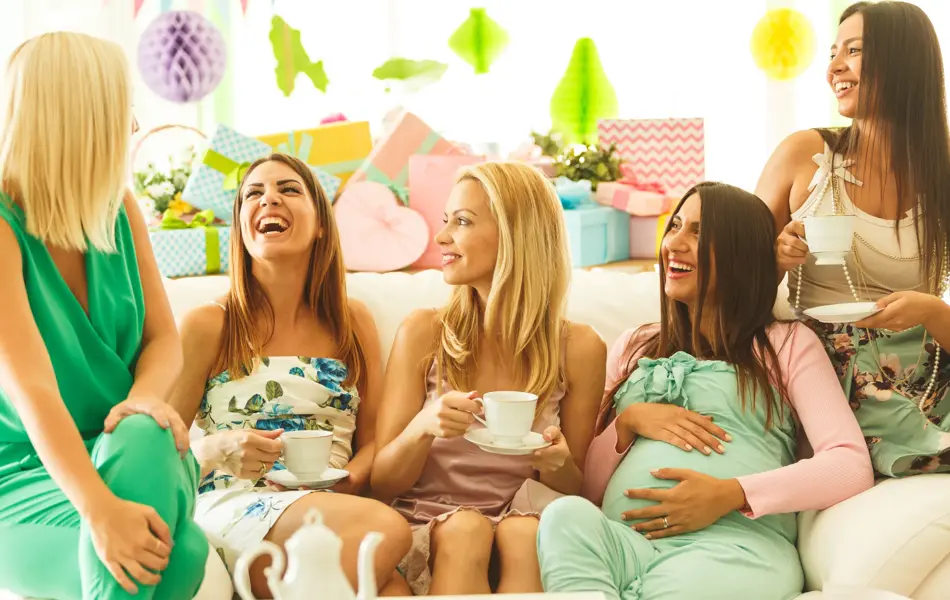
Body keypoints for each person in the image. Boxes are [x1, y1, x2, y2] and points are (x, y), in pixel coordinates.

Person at [537, 183, 874, 600]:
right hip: (625, 543)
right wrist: (628, 423)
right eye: (675, 226)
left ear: (739, 254)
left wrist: (730, 493)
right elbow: (589, 488)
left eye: (698, 232)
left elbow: (850, 465)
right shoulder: (633, 345)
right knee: (564, 516)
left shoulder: (786, 345)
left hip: (731, 549)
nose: (674, 244)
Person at [0, 32, 208, 599]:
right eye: (122, 112)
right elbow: (33, 391)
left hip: (133, 453)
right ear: (80, 121)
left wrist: (142, 400)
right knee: (183, 557)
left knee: (141, 431)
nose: (133, 127)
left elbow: (163, 339)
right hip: (24, 477)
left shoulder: (119, 209)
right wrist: (98, 509)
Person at [169, 153, 412, 598]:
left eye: (288, 189)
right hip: (237, 502)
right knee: (387, 530)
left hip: (334, 505)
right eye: (253, 194)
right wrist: (217, 448)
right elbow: (161, 451)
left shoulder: (353, 322)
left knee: (394, 588)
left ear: (321, 224)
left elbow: (375, 438)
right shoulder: (209, 324)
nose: (269, 199)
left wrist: (352, 475)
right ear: (240, 226)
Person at [371, 161, 607, 595]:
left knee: (525, 533)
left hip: (526, 522)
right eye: (446, 220)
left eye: (462, 222)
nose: (442, 237)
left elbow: (577, 491)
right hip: (434, 523)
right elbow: (381, 481)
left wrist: (558, 464)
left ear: (517, 236)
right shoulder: (424, 332)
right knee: (466, 529)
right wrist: (424, 426)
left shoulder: (580, 348)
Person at [757, 1, 950, 477]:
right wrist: (773, 260)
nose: (834, 68)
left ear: (903, 63)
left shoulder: (942, 173)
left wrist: (932, 311)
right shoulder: (804, 155)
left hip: (927, 368)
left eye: (855, 51)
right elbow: (727, 289)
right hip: (825, 368)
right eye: (833, 53)